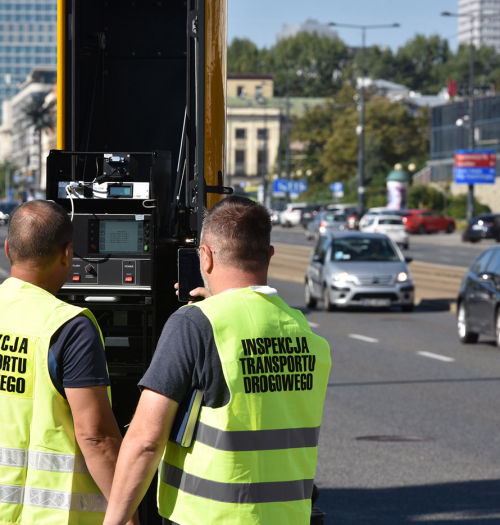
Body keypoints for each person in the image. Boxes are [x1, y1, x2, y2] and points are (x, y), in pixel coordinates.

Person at [103, 196, 332, 525]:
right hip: (288, 516)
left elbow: (144, 441)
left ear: (205, 256)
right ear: (268, 255)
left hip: (210, 517)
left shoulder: (194, 324)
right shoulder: (303, 331)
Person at [0, 200, 137, 525]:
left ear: (8, 249)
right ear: (66, 254)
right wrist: (126, 514)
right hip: (53, 516)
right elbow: (96, 437)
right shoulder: (68, 326)